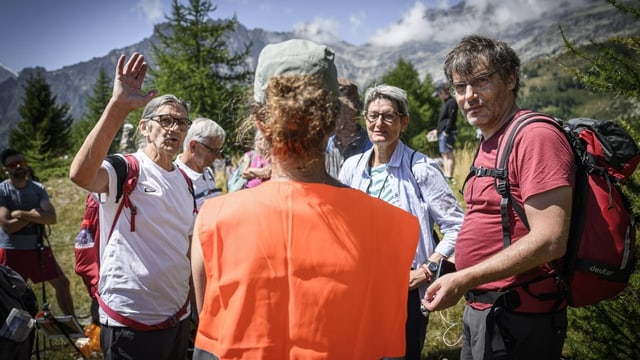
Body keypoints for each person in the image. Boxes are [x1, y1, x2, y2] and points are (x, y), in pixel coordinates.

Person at [191, 38, 421, 360]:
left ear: (260, 121)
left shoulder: (213, 220)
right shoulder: (394, 226)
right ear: (332, 121)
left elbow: (210, 321)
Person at [422, 35, 575, 360]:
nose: (469, 96)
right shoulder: (491, 138)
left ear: (510, 78)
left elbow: (550, 240)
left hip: (518, 318)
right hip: (487, 312)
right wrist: (451, 268)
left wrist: (464, 277)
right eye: (460, 87)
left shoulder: (534, 137)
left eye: (481, 82)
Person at [69, 53, 196, 360]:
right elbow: (81, 174)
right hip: (130, 322)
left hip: (178, 317)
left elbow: (188, 248)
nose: (174, 128)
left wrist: (195, 310)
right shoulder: (126, 168)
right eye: (165, 120)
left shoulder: (184, 180)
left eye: (181, 122)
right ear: (144, 128)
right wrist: (118, 108)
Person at [339, 84, 465, 360]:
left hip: (405, 286)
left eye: (388, 116)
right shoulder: (351, 168)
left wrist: (430, 267)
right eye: (373, 116)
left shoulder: (421, 169)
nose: (379, 123)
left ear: (403, 122)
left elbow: (458, 225)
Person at [0, 149, 75, 317]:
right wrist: (35, 214)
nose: (19, 166)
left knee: (62, 283)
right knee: (12, 295)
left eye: (21, 162)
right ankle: (13, 334)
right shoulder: (2, 191)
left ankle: (73, 327)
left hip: (38, 248)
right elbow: (7, 226)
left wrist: (21, 214)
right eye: (13, 164)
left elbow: (51, 218)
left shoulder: (38, 188)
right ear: (6, 169)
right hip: (12, 251)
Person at [325, 78, 372, 178]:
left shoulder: (370, 147)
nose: (333, 114)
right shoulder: (326, 145)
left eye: (339, 109)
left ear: (354, 112)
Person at [175, 117, 226, 208]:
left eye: (219, 151)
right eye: (214, 150)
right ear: (193, 146)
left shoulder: (208, 171)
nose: (219, 157)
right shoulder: (175, 179)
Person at [433, 81, 458, 182]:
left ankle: (449, 176)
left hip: (448, 132)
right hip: (443, 132)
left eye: (439, 93)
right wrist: (437, 130)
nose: (439, 96)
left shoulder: (452, 102)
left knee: (448, 154)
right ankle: (447, 175)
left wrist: (446, 131)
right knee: (444, 154)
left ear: (443, 91)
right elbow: (444, 120)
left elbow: (452, 118)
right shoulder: (446, 103)